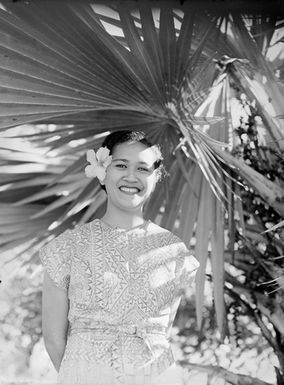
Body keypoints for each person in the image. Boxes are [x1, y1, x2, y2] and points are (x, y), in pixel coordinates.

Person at [40, 130, 200, 385]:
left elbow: (163, 331)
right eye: (121, 165)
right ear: (103, 171)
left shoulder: (173, 251)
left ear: (156, 176)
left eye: (143, 168)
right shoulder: (65, 249)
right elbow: (53, 338)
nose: (131, 176)